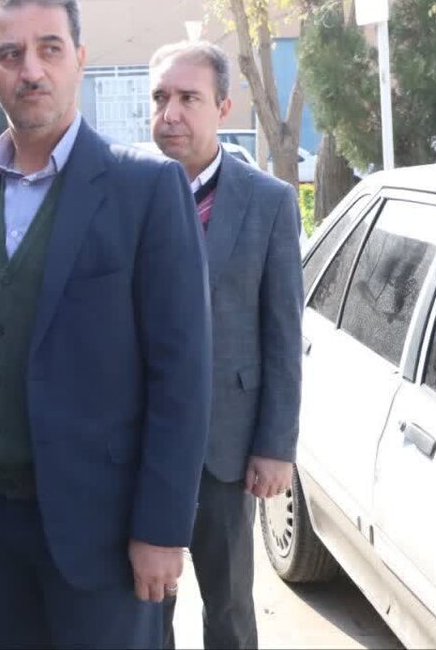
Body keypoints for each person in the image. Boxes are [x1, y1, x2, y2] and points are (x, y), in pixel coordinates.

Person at [0, 0, 212, 649]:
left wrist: (162, 529)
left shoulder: (145, 187)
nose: (30, 70)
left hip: (102, 528)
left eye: (49, 49)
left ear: (80, 59)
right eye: (10, 54)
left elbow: (182, 372)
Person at [150, 41, 303, 650]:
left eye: (189, 98)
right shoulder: (125, 193)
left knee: (231, 604)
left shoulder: (268, 202)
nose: (171, 114)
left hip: (227, 445)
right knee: (144, 604)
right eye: (160, 98)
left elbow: (283, 333)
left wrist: (275, 446)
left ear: (222, 106)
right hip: (140, 443)